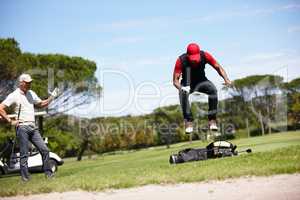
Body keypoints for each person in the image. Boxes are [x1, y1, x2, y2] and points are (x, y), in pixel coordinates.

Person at [0, 74, 59, 181]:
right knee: (24, 154)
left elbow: (41, 104)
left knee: (45, 150)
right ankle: (25, 178)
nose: (29, 84)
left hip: (33, 127)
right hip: (22, 127)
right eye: (27, 82)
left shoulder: (31, 93)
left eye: (30, 82)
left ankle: (48, 174)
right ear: (21, 83)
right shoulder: (14, 95)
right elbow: (1, 108)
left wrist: (52, 97)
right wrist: (10, 121)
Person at [173, 43, 231, 134]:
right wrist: (181, 88)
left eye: (196, 58)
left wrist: (226, 79)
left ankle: (212, 120)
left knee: (213, 90)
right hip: (187, 82)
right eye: (192, 59)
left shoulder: (205, 55)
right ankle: (188, 122)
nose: (195, 61)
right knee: (182, 94)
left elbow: (218, 67)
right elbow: (175, 81)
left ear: (199, 54)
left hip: (202, 80)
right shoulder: (181, 60)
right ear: (188, 55)